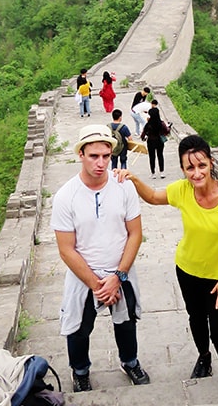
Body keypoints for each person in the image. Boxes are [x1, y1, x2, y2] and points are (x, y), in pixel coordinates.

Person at [114, 135, 218, 400]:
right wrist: (133, 179)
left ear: (211, 163)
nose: (197, 173)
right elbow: (155, 197)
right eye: (190, 168)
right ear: (182, 169)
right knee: (196, 319)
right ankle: (204, 357)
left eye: (201, 165)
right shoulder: (182, 190)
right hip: (188, 271)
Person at [50, 124, 151, 392]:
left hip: (120, 269)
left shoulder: (124, 187)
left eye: (106, 156)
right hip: (84, 274)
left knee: (127, 322)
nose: (101, 163)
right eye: (94, 156)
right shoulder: (65, 197)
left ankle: (130, 362)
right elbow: (66, 249)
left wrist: (118, 277)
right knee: (79, 329)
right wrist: (97, 284)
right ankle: (80, 371)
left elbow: (135, 234)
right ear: (81, 154)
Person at [141, 102, 167, 179]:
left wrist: (143, 138)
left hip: (151, 141)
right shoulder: (161, 123)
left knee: (152, 157)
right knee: (160, 155)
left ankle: (153, 173)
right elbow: (166, 130)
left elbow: (143, 133)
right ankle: (162, 172)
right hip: (159, 141)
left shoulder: (148, 124)